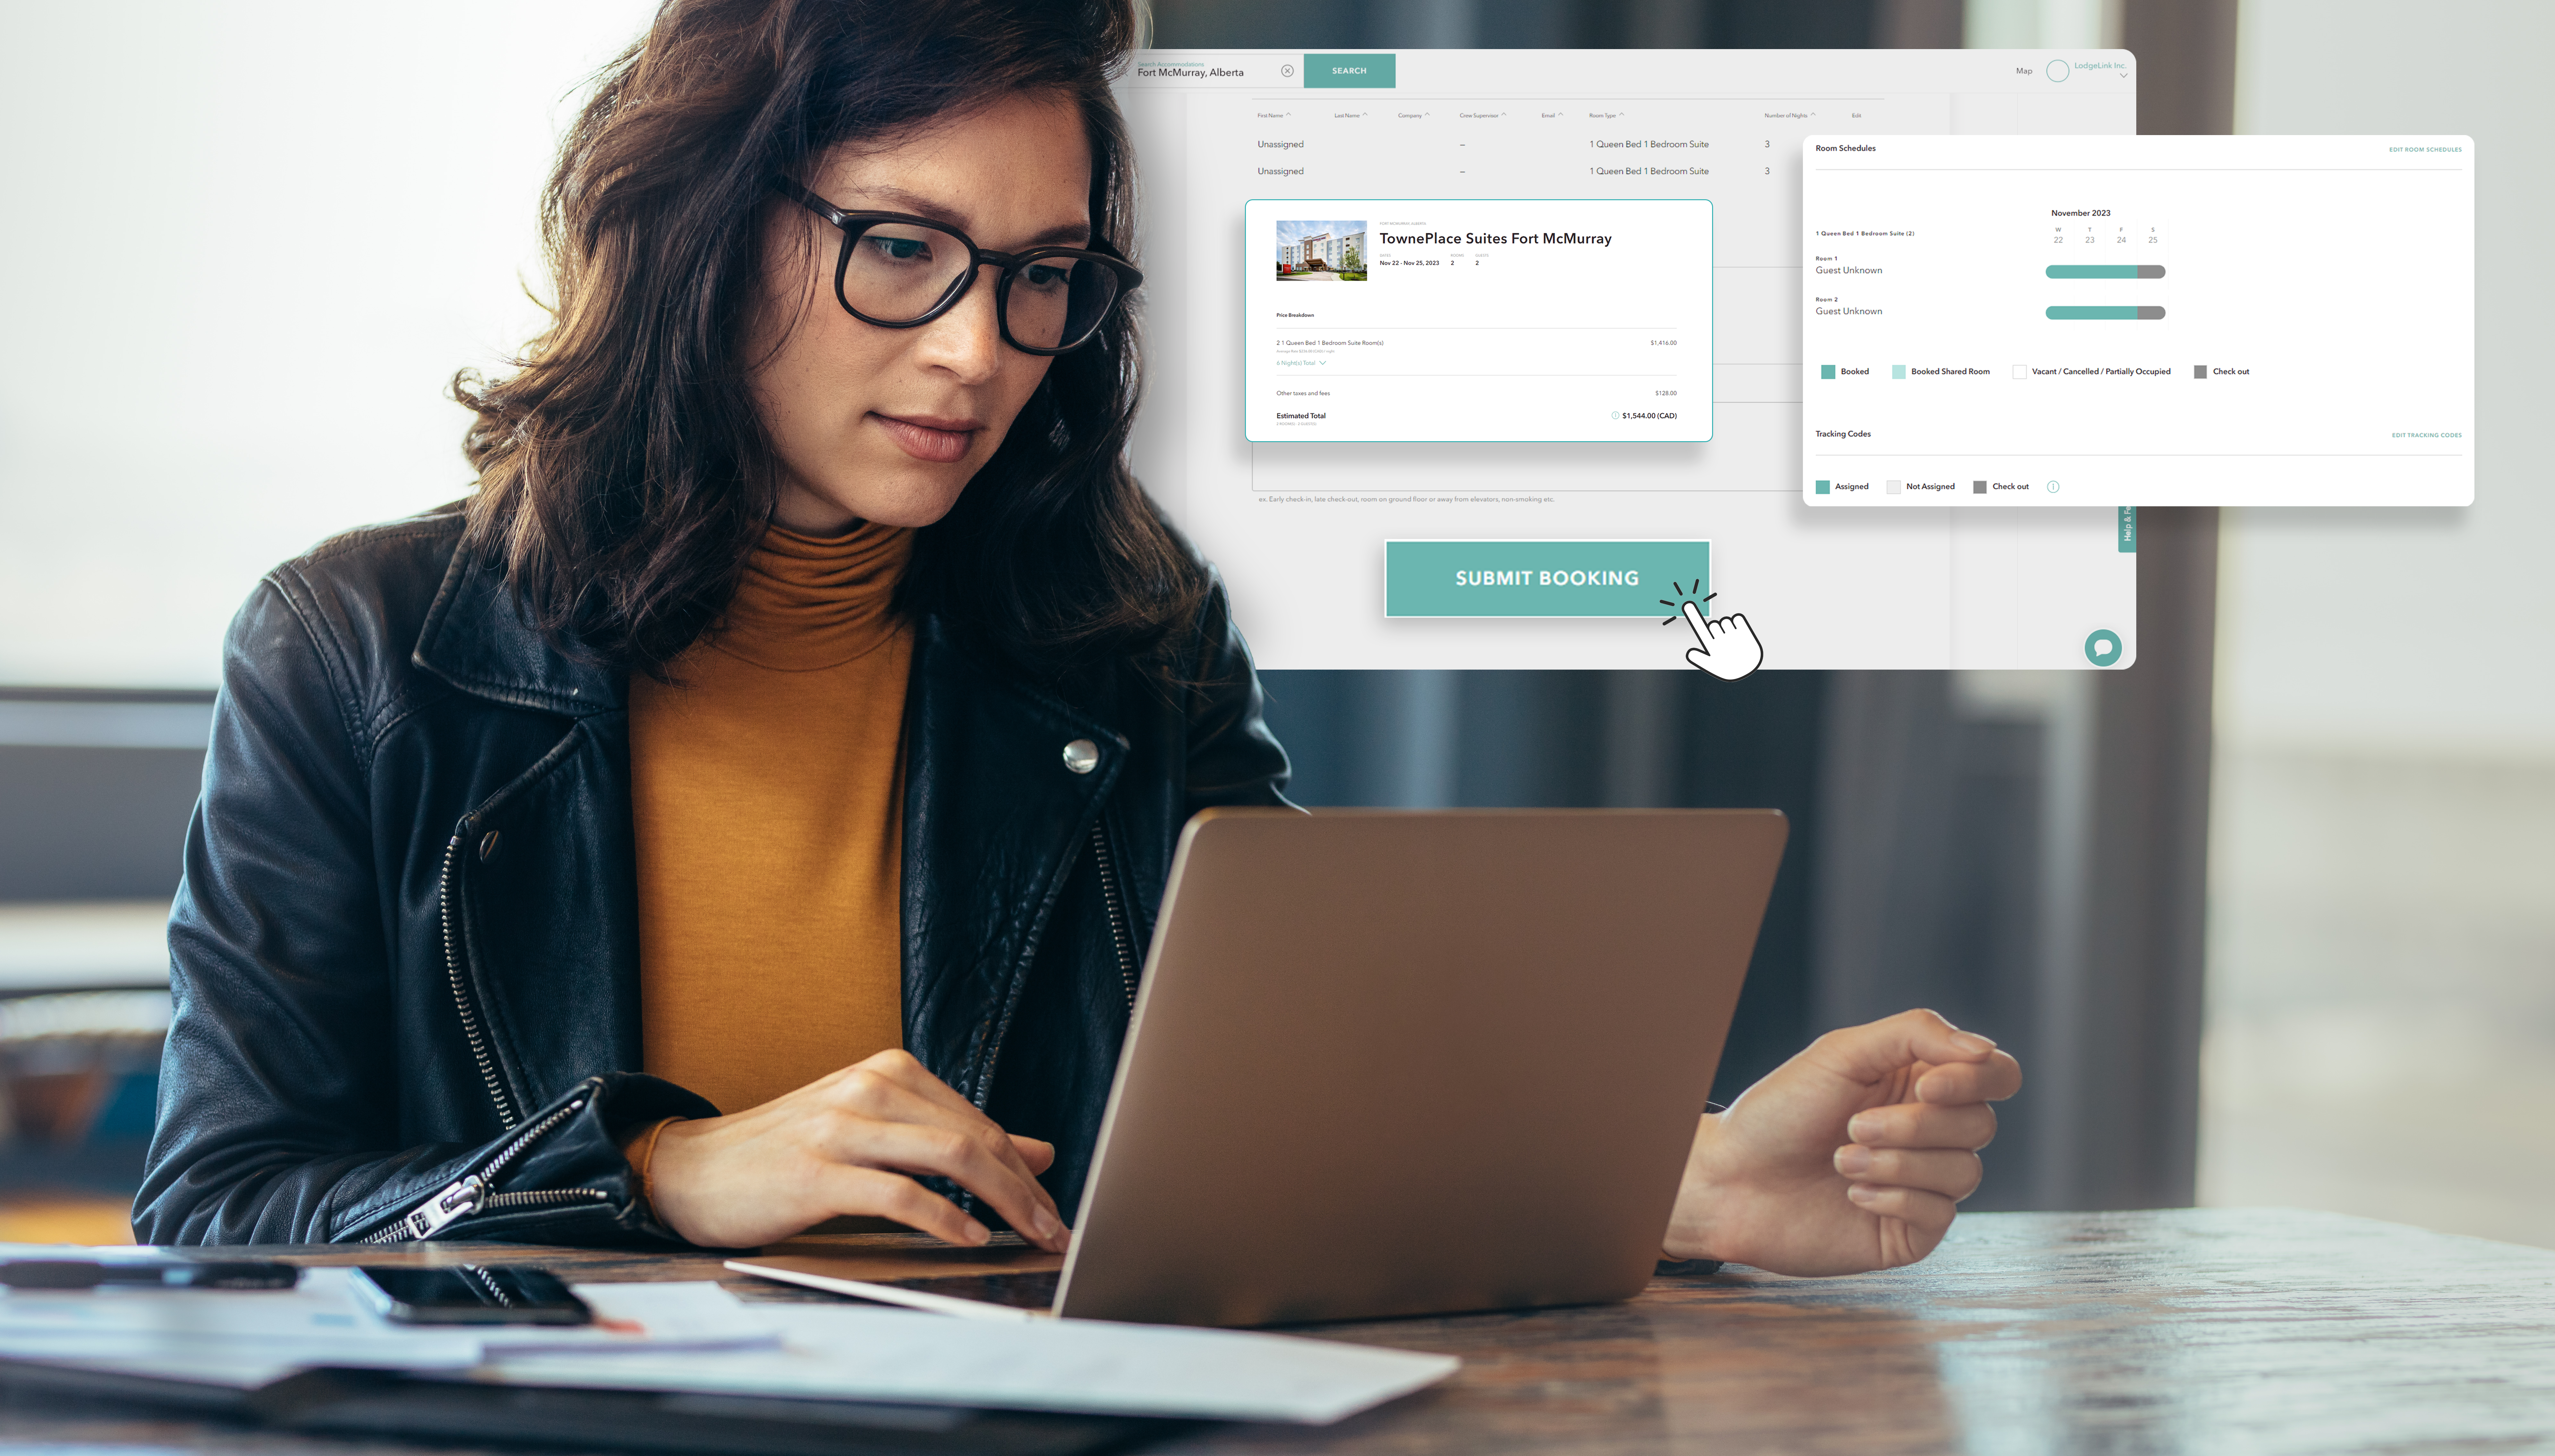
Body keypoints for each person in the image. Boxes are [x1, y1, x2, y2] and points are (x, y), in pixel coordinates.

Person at [134, 0, 2020, 1279]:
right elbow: (219, 1210)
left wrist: (1680, 1179)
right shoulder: (361, 649)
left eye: (1042, 276)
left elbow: (1288, 1106)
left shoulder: (1119, 619)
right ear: (701, 230)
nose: (978, 350)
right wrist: (650, 1178)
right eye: (901, 249)